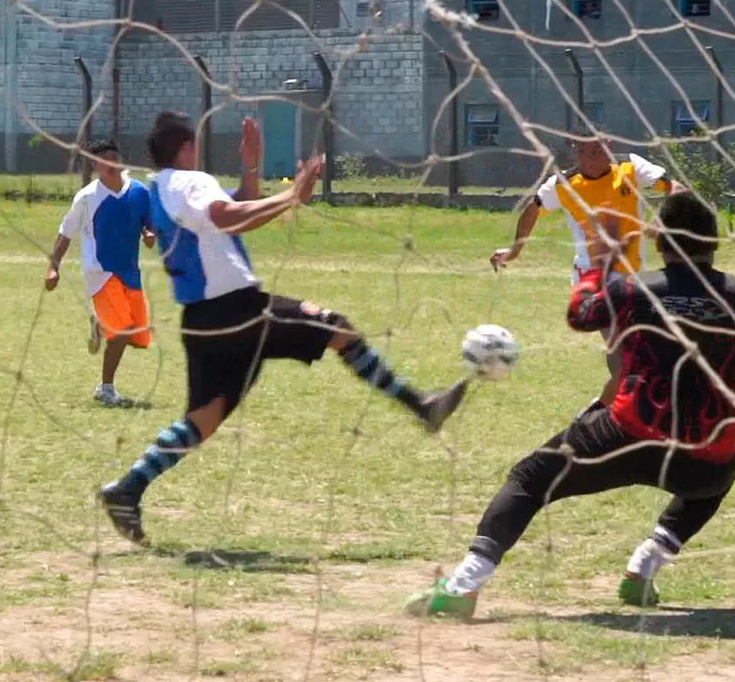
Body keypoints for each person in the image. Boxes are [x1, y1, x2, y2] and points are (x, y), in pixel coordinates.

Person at [408, 193, 735, 618]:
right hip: (703, 461)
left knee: (531, 479)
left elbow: (579, 314)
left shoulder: (633, 289)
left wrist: (598, 266)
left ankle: (463, 586)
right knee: (721, 470)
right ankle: (642, 570)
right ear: (713, 242)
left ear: (659, 239)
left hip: (625, 437)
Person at [97, 112, 470, 545]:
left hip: (202, 320)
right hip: (240, 311)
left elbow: (239, 204)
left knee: (203, 420)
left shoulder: (162, 188)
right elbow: (228, 216)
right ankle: (420, 406)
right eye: (194, 143)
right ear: (185, 148)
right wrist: (292, 196)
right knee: (338, 328)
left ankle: (128, 488)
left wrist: (252, 166)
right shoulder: (189, 181)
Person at [491, 134, 681, 412]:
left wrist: (664, 216)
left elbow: (676, 188)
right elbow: (533, 209)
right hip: (593, 279)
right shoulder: (564, 184)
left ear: (608, 148)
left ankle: (614, 407)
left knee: (645, 346)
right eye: (582, 152)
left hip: (634, 277)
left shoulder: (629, 168)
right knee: (621, 345)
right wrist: (514, 250)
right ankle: (607, 412)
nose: (588, 160)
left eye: (595, 151)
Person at [45, 139, 156, 407]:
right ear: (94, 165)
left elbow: (147, 224)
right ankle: (105, 389)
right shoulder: (87, 198)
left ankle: (100, 323)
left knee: (137, 337)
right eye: (102, 160)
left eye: (113, 158)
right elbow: (65, 233)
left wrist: (149, 234)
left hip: (129, 270)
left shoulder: (139, 192)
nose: (110, 164)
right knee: (122, 330)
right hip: (100, 272)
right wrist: (53, 267)